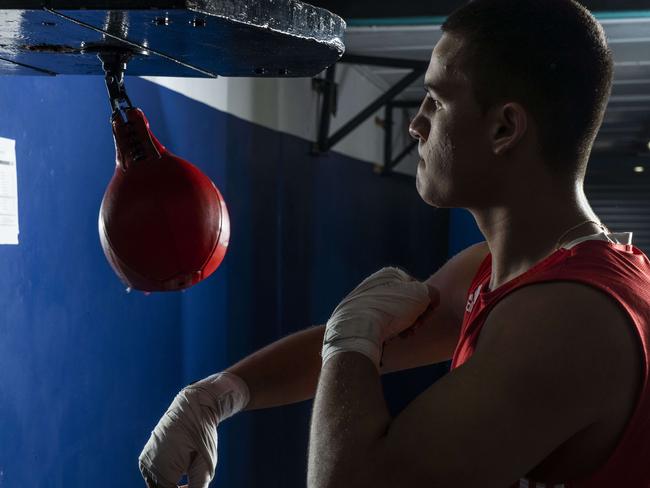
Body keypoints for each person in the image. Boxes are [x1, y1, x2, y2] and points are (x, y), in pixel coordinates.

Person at [139, 0, 650, 487]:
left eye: (437, 100)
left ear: (504, 128)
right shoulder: (507, 270)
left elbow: (350, 482)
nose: (415, 123)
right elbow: (380, 338)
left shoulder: (570, 318)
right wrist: (217, 395)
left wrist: (349, 336)